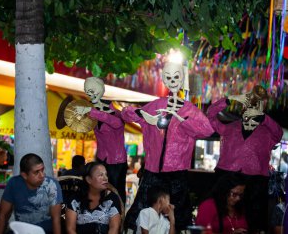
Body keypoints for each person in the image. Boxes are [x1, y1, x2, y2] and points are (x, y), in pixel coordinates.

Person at [122, 60, 214, 231]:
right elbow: (127, 113)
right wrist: (145, 115)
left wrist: (180, 119)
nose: (172, 81)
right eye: (168, 77)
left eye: (176, 77)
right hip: (153, 170)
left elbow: (207, 130)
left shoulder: (189, 109)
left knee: (178, 213)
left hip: (177, 170)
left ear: (181, 80)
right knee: (142, 209)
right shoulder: (156, 105)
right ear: (164, 80)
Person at [207, 86, 283, 233]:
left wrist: (263, 117)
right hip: (227, 177)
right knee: (222, 214)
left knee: (252, 220)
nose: (253, 106)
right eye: (251, 102)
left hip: (255, 182)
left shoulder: (268, 133)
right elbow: (210, 116)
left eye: (258, 103)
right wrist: (230, 99)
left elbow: (279, 133)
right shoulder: (229, 128)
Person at [75, 77, 128, 204]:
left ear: (101, 90)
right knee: (97, 190)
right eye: (88, 92)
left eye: (93, 91)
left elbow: (116, 123)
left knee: (116, 192)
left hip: (116, 161)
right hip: (101, 158)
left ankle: (119, 218)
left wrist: (92, 111)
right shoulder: (93, 113)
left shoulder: (116, 113)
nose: (90, 94)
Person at [0, 153, 62, 234]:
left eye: (42, 170)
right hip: (21, 231)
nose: (42, 175)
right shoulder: (14, 183)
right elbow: (3, 216)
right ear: (24, 175)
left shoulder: (52, 185)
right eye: (36, 172)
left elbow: (56, 219)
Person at [65, 162, 122, 234]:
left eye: (106, 174)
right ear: (88, 179)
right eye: (101, 175)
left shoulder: (112, 199)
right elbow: (70, 229)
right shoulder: (75, 200)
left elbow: (114, 228)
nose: (105, 178)